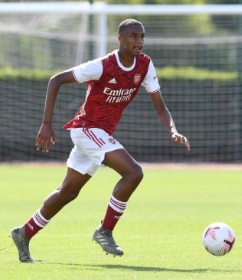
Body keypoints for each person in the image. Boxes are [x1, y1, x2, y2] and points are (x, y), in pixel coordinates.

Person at [10, 18, 190, 263]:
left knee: (68, 192)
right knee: (134, 173)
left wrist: (172, 129)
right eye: (133, 36)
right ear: (120, 39)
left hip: (99, 134)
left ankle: (24, 233)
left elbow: (161, 108)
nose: (139, 41)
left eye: (142, 36)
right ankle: (105, 230)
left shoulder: (145, 65)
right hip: (86, 129)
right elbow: (56, 80)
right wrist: (46, 124)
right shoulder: (103, 65)